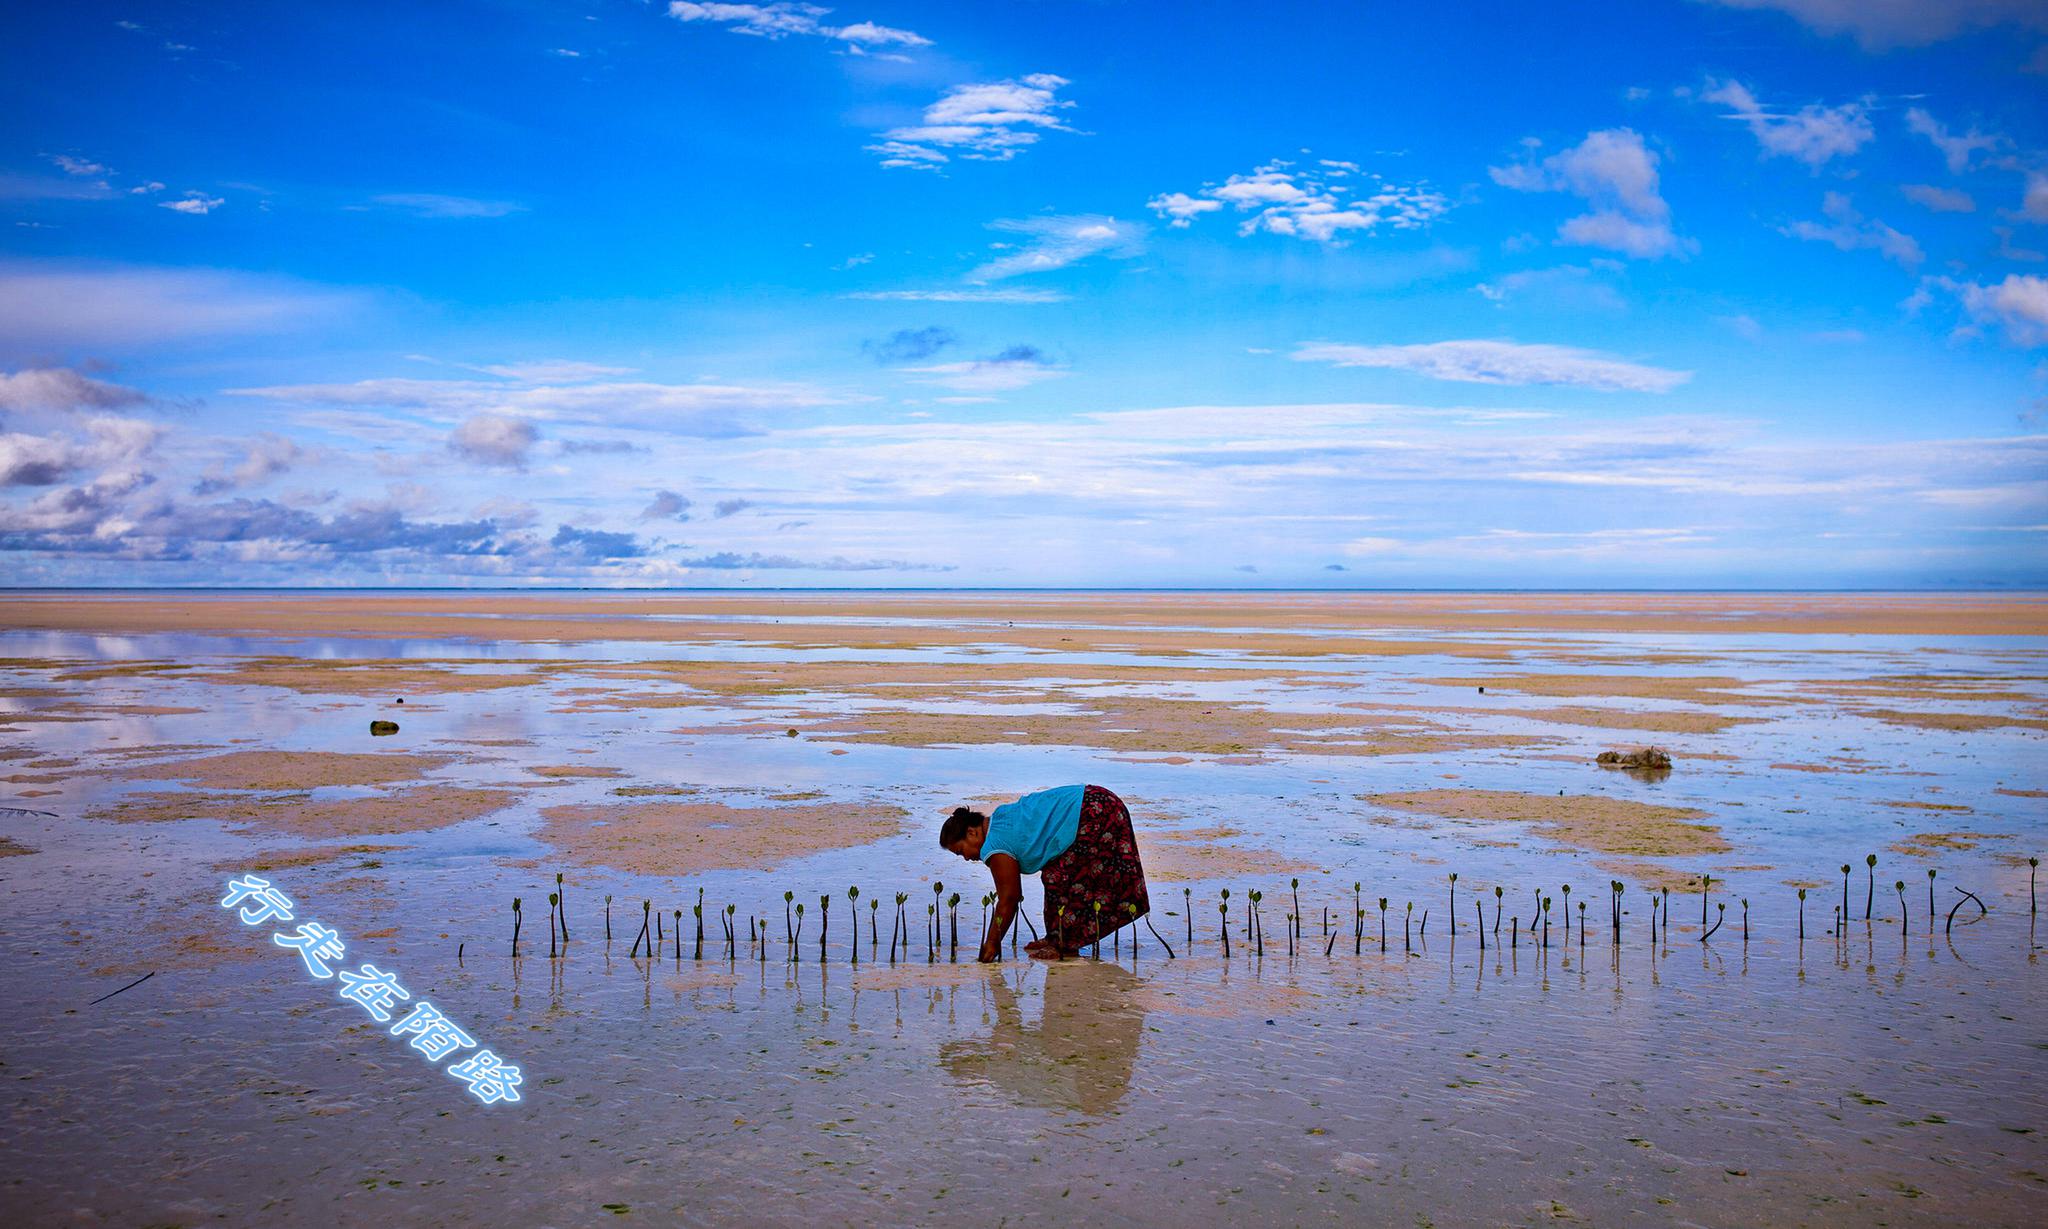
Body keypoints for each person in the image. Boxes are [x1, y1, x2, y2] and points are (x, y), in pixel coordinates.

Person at [940, 784, 1150, 961]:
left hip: (1094, 811)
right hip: (1100, 801)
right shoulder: (998, 820)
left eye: (961, 851)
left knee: (1061, 878)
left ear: (971, 832)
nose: (967, 858)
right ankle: (1057, 939)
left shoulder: (994, 845)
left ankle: (1065, 946)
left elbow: (1009, 898)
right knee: (1054, 875)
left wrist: (992, 943)